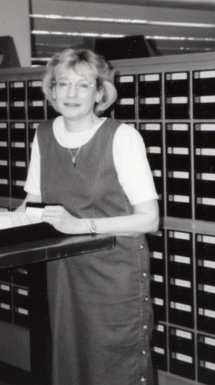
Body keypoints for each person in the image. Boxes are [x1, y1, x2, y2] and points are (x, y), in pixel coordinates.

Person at [18, 47, 160, 385]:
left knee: (115, 363)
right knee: (72, 362)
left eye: (83, 85)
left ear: (99, 93)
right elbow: (31, 203)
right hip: (65, 270)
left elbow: (149, 219)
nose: (71, 93)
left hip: (114, 271)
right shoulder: (43, 135)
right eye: (62, 83)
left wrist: (81, 225)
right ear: (51, 91)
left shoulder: (122, 137)